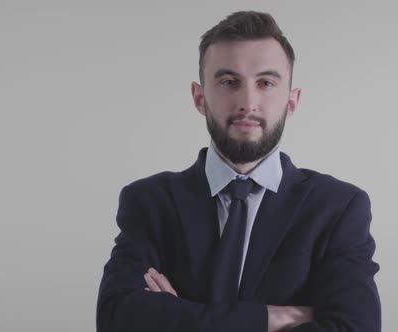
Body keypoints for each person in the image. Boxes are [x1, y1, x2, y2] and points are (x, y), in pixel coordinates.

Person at [97, 10, 380, 332]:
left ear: (292, 101)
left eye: (266, 83)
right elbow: (116, 318)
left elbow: (355, 327)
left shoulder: (339, 207)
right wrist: (272, 318)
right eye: (229, 82)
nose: (248, 101)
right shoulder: (149, 201)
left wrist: (178, 316)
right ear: (200, 97)